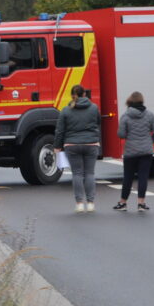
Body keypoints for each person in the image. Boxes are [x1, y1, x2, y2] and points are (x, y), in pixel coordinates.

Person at [54, 83, 100, 213]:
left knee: (77, 174)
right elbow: (98, 123)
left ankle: (79, 203)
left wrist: (57, 146)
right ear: (84, 94)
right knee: (90, 173)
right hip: (91, 143)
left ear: (72, 95)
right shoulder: (94, 108)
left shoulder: (66, 110)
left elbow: (60, 131)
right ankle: (90, 203)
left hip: (72, 145)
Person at [115, 91, 154, 211]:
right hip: (146, 151)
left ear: (129, 101)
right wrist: (150, 142)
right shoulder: (150, 115)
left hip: (130, 151)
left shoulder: (125, 116)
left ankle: (123, 203)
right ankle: (141, 203)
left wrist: (129, 136)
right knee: (143, 177)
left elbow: (121, 134)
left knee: (128, 177)